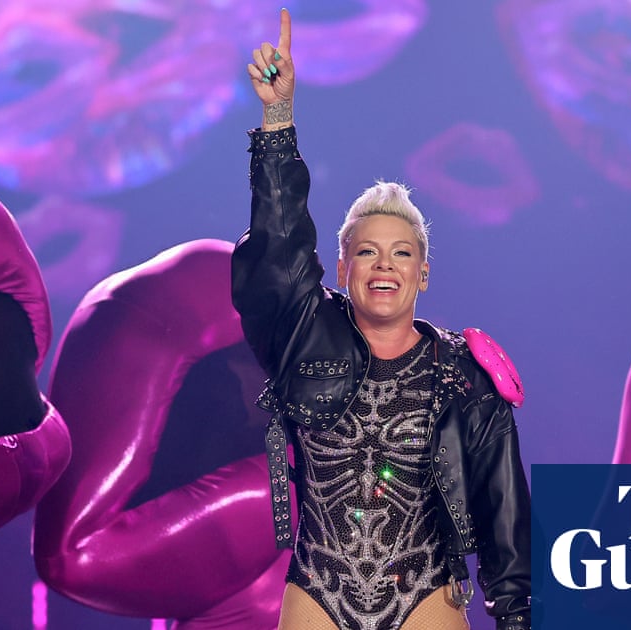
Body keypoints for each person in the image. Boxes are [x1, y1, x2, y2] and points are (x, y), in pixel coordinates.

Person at [231, 10, 532, 630]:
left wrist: (516, 617)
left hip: (426, 596)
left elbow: (505, 512)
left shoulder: (465, 373)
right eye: (367, 252)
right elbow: (279, 248)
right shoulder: (303, 334)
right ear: (342, 268)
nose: (384, 265)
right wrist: (278, 118)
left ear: (423, 273)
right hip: (318, 592)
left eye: (401, 254)